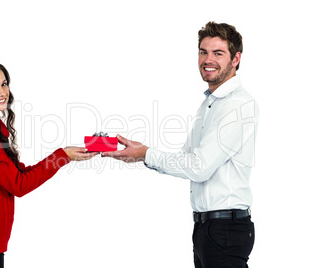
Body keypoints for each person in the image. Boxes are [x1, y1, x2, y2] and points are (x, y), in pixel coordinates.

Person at [102, 21, 259, 267]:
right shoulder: (210, 104)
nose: (208, 59)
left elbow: (199, 167)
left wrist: (147, 153)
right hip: (207, 229)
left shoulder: (236, 105)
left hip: (225, 229)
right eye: (203, 52)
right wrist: (142, 154)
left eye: (218, 53)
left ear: (236, 58)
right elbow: (187, 159)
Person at [0, 61, 98, 268]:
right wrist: (61, 156)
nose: (2, 92)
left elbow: (15, 173)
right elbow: (19, 184)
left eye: (4, 84)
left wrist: (65, 154)